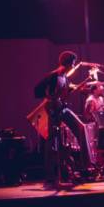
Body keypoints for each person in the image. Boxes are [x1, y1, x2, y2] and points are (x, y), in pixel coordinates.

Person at [34, 51, 94, 184]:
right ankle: (49, 175)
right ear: (67, 63)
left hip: (63, 108)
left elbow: (65, 91)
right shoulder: (53, 75)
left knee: (81, 128)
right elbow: (37, 90)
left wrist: (82, 88)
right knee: (52, 141)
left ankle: (85, 166)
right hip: (54, 109)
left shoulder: (64, 77)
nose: (73, 66)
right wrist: (50, 99)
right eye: (72, 64)